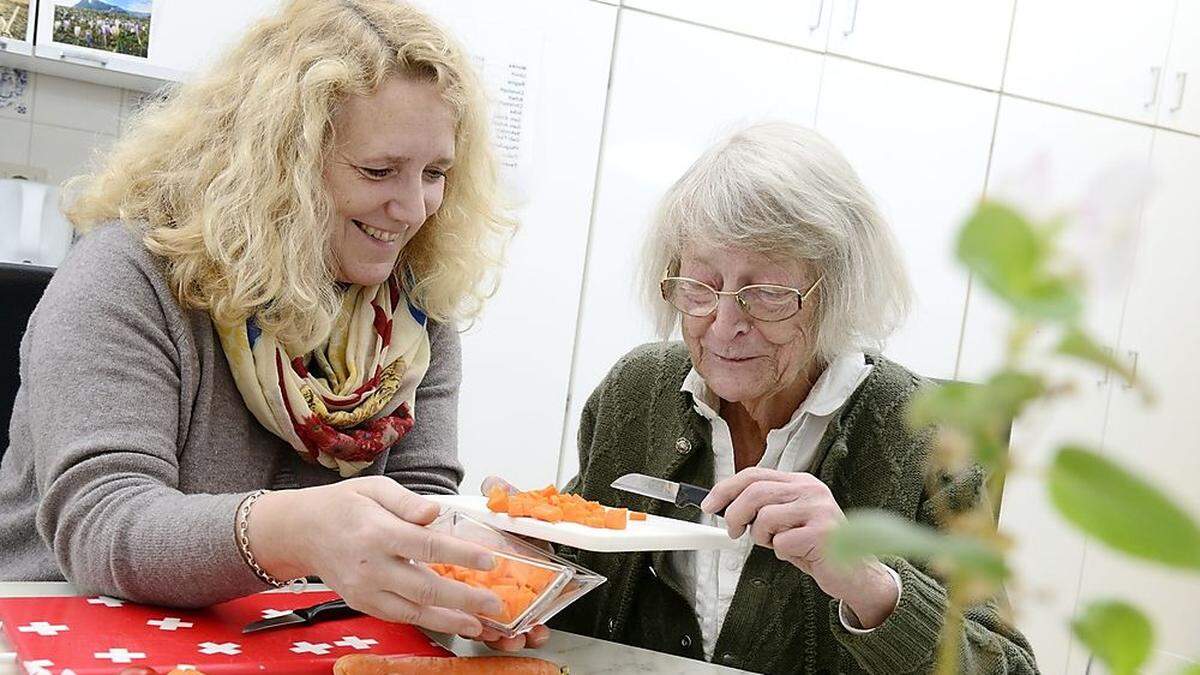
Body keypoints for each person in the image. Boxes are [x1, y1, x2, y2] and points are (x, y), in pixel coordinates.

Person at [0, 0, 543, 646]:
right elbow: (104, 524)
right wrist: (296, 531)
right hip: (67, 643)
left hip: (283, 644)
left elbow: (419, 497)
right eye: (378, 170)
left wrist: (480, 565)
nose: (413, 208)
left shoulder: (409, 316)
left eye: (436, 173)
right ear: (279, 163)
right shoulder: (126, 277)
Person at [545, 123, 1039, 673]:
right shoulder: (637, 393)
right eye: (700, 288)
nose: (724, 325)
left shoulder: (925, 439)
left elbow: (1010, 667)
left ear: (836, 294)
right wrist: (511, 551)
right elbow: (575, 581)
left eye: (767, 296)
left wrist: (869, 584)